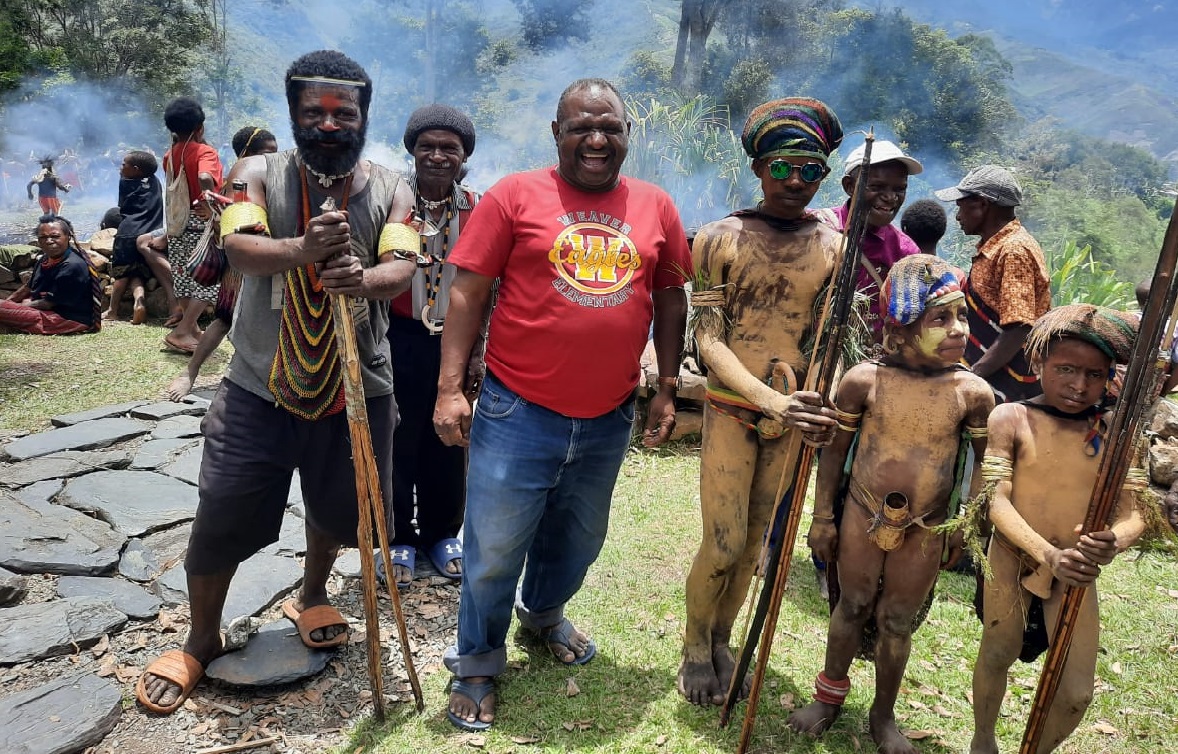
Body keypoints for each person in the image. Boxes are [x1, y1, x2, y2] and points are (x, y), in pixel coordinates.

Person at [135, 50, 418, 716]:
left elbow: (402, 264)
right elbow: (239, 250)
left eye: (341, 111)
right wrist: (305, 252)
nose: (327, 123)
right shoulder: (253, 173)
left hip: (359, 386)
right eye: (311, 111)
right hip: (259, 383)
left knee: (339, 509)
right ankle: (202, 638)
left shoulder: (392, 188)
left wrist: (363, 278)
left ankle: (312, 592)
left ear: (362, 115)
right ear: (292, 114)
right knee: (223, 509)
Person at [432, 77, 690, 732]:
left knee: (579, 538)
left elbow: (669, 298)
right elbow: (466, 294)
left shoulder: (656, 205)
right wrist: (448, 389)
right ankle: (478, 664)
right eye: (581, 126)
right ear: (557, 134)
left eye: (611, 127)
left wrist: (665, 387)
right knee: (493, 547)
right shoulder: (515, 196)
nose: (597, 139)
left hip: (608, 416)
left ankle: (543, 615)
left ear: (628, 136)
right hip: (517, 410)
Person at [786, 254, 994, 754]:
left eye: (961, 316)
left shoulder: (973, 393)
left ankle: (883, 718)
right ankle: (829, 698)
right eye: (939, 318)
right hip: (860, 512)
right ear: (899, 330)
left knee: (897, 620)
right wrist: (822, 517)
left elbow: (986, 469)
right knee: (851, 604)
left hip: (927, 526)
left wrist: (968, 527)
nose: (957, 329)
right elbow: (833, 453)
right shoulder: (864, 380)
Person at [678, 97, 842, 707]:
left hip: (793, 414)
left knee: (754, 546)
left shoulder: (834, 248)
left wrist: (812, 396)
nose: (796, 181)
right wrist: (767, 399)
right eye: (783, 167)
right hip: (734, 408)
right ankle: (696, 645)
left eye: (811, 170)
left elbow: (828, 338)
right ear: (759, 168)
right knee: (721, 542)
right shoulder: (720, 239)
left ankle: (722, 638)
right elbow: (709, 340)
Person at [968, 304, 1145, 754]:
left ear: (1108, 377)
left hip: (1078, 572)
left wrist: (1113, 541)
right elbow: (996, 500)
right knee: (997, 652)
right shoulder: (1010, 418)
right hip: (1012, 556)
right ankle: (983, 739)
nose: (1079, 385)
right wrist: (1047, 554)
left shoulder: (1118, 432)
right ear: (1039, 363)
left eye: (1094, 374)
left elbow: (1136, 513)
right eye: (1066, 369)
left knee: (1076, 694)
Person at [379, 105, 482, 588]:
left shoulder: (477, 209)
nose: (438, 156)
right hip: (398, 337)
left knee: (451, 432)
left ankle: (443, 532)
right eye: (427, 147)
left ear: (464, 158)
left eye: (450, 149)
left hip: (456, 338)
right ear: (412, 151)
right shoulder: (392, 205)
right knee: (397, 433)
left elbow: (492, 283)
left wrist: (480, 349)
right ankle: (397, 536)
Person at [164, 126, 278, 401]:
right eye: (266, 153)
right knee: (224, 318)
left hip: (274, 259)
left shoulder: (273, 178)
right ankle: (190, 373)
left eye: (275, 153)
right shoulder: (238, 181)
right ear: (246, 154)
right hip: (241, 265)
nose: (272, 159)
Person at [935, 165, 1050, 403]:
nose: (957, 216)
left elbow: (1019, 327)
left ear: (982, 204)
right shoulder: (998, 247)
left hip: (1006, 383)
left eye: (961, 207)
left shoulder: (1013, 250)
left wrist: (974, 375)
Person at [815, 139, 923, 340]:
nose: (890, 197)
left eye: (899, 189)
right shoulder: (818, 228)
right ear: (849, 186)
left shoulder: (905, 252)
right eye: (877, 186)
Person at [161, 96, 224, 354]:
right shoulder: (204, 151)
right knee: (209, 278)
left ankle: (193, 330)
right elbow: (204, 175)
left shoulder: (170, 154)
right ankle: (183, 331)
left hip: (178, 225)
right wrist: (210, 203)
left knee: (184, 276)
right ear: (200, 127)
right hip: (200, 224)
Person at [0, 215, 99, 335]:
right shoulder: (45, 259)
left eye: (55, 236)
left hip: (65, 318)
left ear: (68, 237)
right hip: (44, 309)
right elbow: (29, 287)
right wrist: (9, 303)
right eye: (43, 237)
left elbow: (49, 303)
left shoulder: (73, 265)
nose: (49, 241)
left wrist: (20, 306)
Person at [104, 150, 163, 325]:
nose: (121, 168)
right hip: (148, 233)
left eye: (124, 164)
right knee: (136, 272)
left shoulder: (126, 182)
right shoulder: (156, 182)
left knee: (122, 274)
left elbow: (121, 207)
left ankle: (112, 310)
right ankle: (140, 301)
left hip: (127, 233)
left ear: (136, 169)